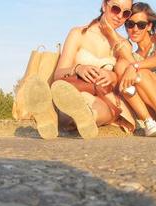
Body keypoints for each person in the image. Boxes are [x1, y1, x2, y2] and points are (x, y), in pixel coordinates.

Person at [23, 0, 136, 140]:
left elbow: (133, 70)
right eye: (115, 9)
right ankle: (65, 115)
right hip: (72, 91)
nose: (119, 16)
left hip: (102, 97)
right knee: (74, 98)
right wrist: (78, 68)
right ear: (104, 5)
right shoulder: (78, 33)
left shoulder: (123, 44)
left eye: (126, 13)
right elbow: (58, 74)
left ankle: (56, 117)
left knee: (92, 104)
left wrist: (113, 76)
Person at [100, 2, 156, 137]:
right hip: (150, 112)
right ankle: (148, 121)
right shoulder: (132, 55)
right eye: (130, 24)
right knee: (121, 65)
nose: (135, 29)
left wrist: (134, 66)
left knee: (139, 71)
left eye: (141, 25)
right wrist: (111, 33)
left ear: (149, 25)